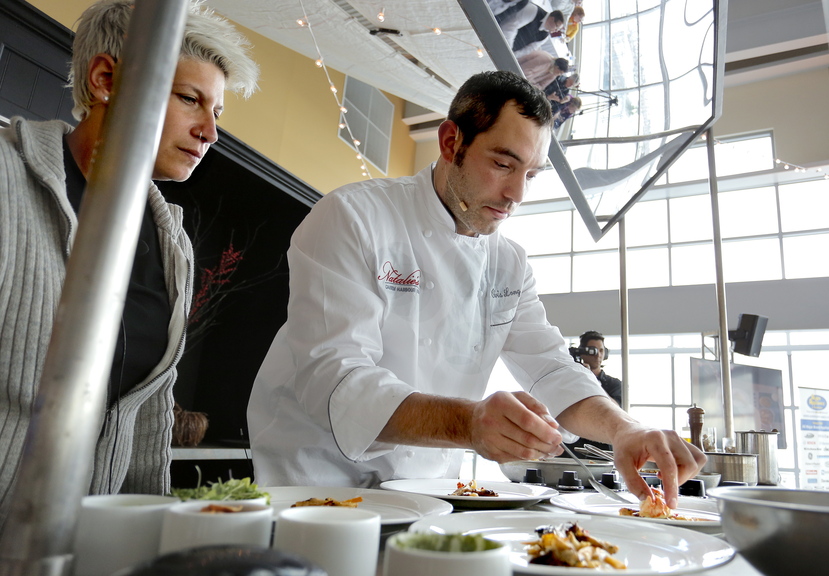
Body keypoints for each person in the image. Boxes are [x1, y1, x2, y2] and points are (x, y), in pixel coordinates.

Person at [248, 70, 705, 509]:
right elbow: (334, 377)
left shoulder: (509, 263)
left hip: (428, 491)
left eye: (531, 174)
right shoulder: (352, 217)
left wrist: (624, 429)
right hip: (317, 485)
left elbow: (550, 369)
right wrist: (468, 423)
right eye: (504, 164)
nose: (517, 194)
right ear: (451, 143)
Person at [0, 0, 258, 528]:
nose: (210, 132)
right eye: (190, 99)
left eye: (218, 112)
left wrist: (145, 534)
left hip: (90, 544)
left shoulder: (172, 243)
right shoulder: (5, 178)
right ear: (104, 80)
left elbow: (147, 417)